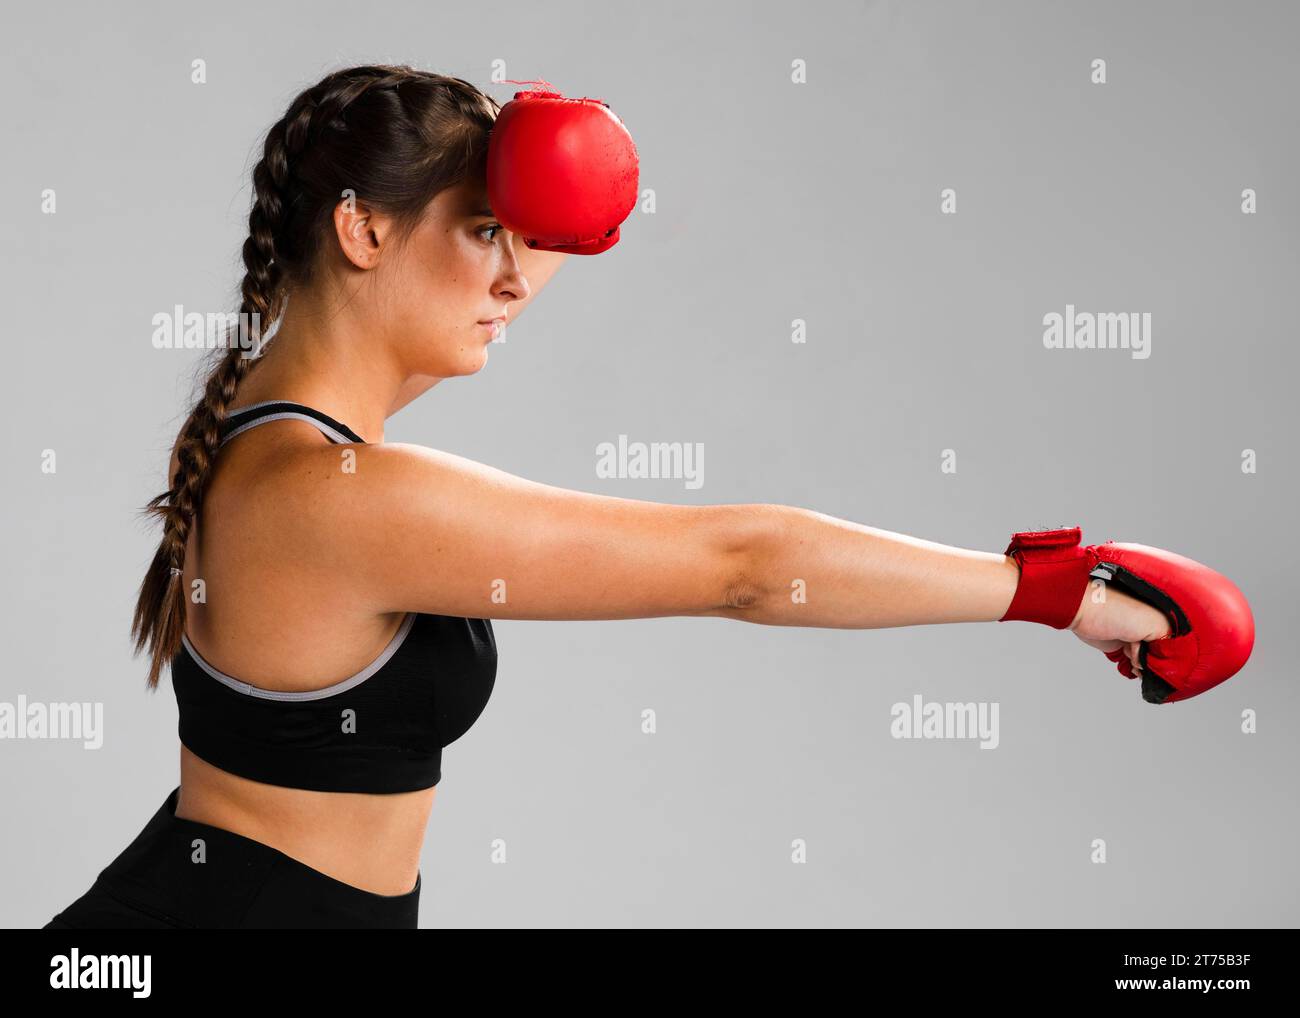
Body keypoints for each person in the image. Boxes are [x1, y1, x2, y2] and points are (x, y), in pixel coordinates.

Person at [41, 64, 1181, 930]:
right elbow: (741, 564)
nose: (513, 281)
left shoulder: (281, 451)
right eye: (483, 232)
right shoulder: (330, 495)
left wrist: (540, 199)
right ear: (362, 227)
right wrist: (1055, 589)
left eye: (523, 238)